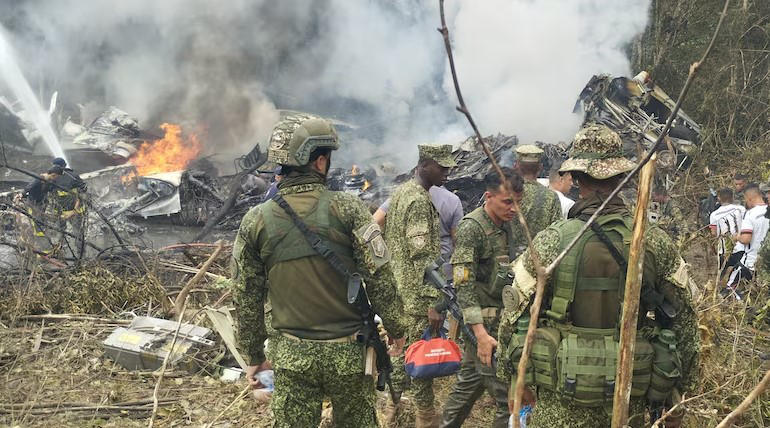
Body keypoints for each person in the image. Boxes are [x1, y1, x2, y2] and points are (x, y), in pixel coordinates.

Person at [496, 124, 699, 427]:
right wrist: (680, 394)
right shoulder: (653, 241)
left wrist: (512, 379)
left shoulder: (552, 241)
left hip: (559, 405)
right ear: (622, 177)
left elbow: (512, 315)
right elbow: (685, 317)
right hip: (626, 401)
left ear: (576, 179)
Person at [232, 114, 407, 428]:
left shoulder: (256, 220)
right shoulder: (349, 209)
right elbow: (380, 277)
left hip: (291, 357)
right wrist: (396, 328)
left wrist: (254, 356)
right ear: (320, 161)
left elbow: (246, 297)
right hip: (349, 356)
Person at [440, 167, 524, 428]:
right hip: (483, 328)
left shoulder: (509, 227)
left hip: (502, 323)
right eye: (508, 202)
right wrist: (480, 335)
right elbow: (463, 283)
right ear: (489, 196)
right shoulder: (472, 229)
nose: (514, 208)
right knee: (505, 399)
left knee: (468, 384)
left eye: (518, 203)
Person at [384, 143, 456, 427]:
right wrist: (433, 303)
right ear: (424, 165)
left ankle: (389, 405)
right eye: (442, 166)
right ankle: (426, 419)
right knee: (422, 362)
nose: (447, 172)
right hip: (416, 297)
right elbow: (423, 257)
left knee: (404, 352)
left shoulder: (401, 193)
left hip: (401, 292)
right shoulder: (417, 201)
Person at [373, 185, 464, 261]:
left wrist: (383, 258)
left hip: (409, 267)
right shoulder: (452, 200)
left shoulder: (403, 196)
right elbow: (457, 242)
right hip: (442, 266)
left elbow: (374, 223)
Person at [511, 144, 562, 257]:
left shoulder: (506, 193)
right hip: (537, 262)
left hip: (506, 262)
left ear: (516, 166)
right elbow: (556, 234)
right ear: (540, 168)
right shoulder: (551, 197)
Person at [726, 185, 769, 293]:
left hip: (750, 261)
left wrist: (737, 237)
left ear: (750, 198)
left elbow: (746, 239)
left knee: (730, 289)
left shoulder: (750, 214)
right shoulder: (768, 211)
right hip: (766, 263)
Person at [708, 188, 745, 271]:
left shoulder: (714, 215)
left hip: (724, 251)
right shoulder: (741, 209)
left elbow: (714, 233)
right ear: (732, 197)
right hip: (742, 248)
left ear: (719, 198)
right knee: (739, 274)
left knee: (722, 274)